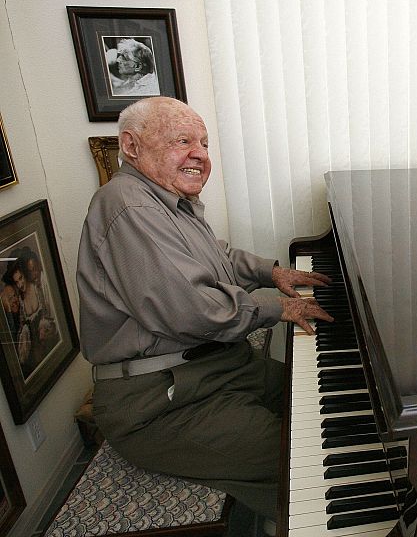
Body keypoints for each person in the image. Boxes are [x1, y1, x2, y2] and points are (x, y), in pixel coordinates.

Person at [76, 96, 333, 530]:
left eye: (204, 143)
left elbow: (217, 257)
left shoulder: (168, 199)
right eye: (182, 141)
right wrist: (278, 307)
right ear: (132, 146)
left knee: (318, 403)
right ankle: (293, 520)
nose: (199, 154)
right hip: (159, 402)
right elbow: (191, 311)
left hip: (216, 369)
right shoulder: (129, 206)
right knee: (304, 457)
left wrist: (271, 272)